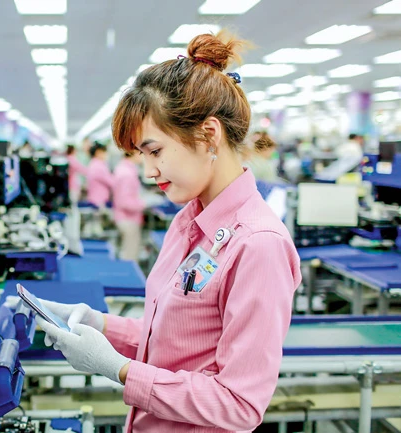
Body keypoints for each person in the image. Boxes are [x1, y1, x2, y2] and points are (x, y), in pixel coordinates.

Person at [29, 31, 301, 432]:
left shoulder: (258, 246)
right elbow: (175, 340)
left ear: (209, 134)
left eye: (154, 151)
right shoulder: (188, 222)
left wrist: (121, 370)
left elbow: (239, 405)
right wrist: (98, 324)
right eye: (141, 155)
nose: (148, 171)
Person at [112, 151, 145, 261]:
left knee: (127, 252)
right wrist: (144, 204)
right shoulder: (127, 174)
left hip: (124, 217)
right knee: (130, 256)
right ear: (134, 153)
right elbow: (125, 202)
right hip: (128, 219)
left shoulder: (124, 169)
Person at [85, 142, 114, 208]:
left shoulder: (93, 163)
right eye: (104, 152)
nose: (106, 154)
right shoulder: (99, 166)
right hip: (99, 201)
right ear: (98, 152)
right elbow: (111, 182)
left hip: (94, 198)